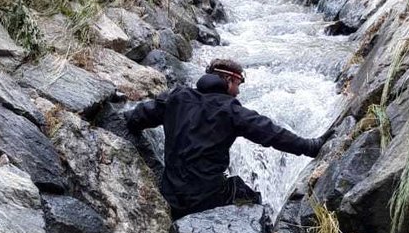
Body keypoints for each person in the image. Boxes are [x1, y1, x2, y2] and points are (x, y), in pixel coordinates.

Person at [125, 57, 324, 220]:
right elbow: (272, 134)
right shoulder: (230, 110)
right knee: (250, 201)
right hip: (207, 200)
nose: (238, 91)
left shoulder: (175, 97)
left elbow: (137, 117)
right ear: (227, 80)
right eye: (238, 84)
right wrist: (310, 146)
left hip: (170, 197)